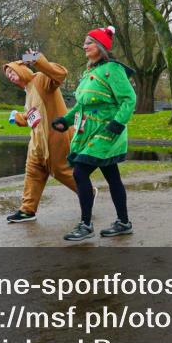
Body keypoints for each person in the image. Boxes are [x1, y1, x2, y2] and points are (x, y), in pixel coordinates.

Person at [52, 26, 137, 241]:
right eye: (85, 42)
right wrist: (65, 120)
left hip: (107, 131)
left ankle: (86, 224)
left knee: (80, 173)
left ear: (100, 46)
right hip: (88, 130)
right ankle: (123, 222)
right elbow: (82, 106)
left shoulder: (113, 69)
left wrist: (117, 124)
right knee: (112, 176)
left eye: (89, 42)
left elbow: (129, 99)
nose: (84, 46)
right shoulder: (89, 72)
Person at [2, 51, 79, 223]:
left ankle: (87, 192)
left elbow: (60, 73)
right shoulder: (29, 90)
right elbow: (34, 116)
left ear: (22, 69)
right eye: (8, 76)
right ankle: (27, 210)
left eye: (12, 72)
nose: (11, 77)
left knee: (61, 171)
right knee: (33, 172)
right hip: (37, 142)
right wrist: (19, 118)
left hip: (54, 138)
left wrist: (37, 60)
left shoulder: (40, 79)